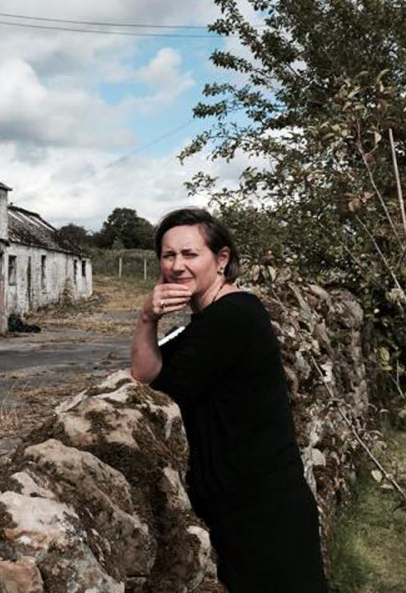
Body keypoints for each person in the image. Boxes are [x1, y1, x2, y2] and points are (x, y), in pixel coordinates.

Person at [130, 207, 329, 593]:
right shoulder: (210, 320)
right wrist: (147, 317)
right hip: (242, 505)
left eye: (190, 254)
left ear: (222, 259)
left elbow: (161, 392)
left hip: (263, 512)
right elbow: (143, 372)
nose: (177, 266)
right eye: (168, 255)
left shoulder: (234, 317)